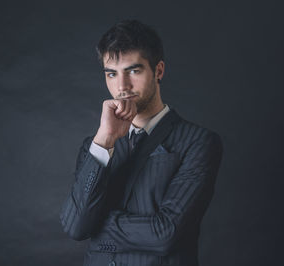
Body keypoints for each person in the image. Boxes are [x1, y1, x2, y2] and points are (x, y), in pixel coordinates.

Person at [60, 19, 223, 266]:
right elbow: (75, 227)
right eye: (112, 74)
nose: (121, 87)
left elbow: (164, 234)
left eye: (133, 71)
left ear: (158, 71)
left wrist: (98, 222)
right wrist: (104, 141)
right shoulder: (95, 146)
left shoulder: (198, 142)